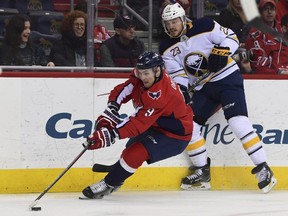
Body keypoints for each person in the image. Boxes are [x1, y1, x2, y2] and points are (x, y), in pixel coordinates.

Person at [159, 2, 277, 193]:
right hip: (205, 87)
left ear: (183, 19)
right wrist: (181, 90)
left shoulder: (205, 25)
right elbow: (178, 74)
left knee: (238, 121)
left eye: (174, 21)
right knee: (189, 123)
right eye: (168, 23)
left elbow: (231, 37)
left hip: (227, 78)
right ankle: (202, 172)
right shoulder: (166, 47)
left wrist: (222, 51)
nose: (171, 26)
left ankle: (264, 168)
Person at [80, 51, 193, 199]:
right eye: (140, 73)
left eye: (146, 73)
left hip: (176, 136)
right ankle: (119, 172)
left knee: (135, 154)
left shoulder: (160, 95)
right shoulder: (147, 76)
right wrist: (113, 108)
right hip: (157, 124)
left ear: (158, 70)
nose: (143, 77)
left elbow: (136, 124)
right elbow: (126, 88)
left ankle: (108, 184)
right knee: (130, 146)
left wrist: (109, 135)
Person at [245, 0, 288, 74]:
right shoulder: (255, 33)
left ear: (275, 11)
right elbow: (258, 64)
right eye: (266, 9)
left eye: (272, 9)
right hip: (271, 73)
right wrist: (279, 72)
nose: (269, 12)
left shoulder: (282, 27)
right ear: (260, 12)